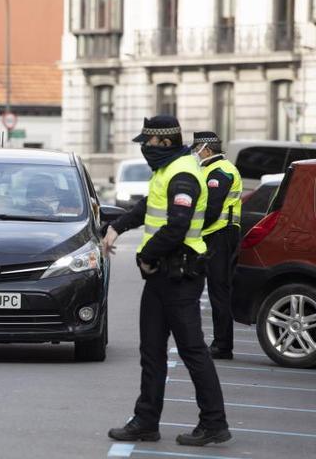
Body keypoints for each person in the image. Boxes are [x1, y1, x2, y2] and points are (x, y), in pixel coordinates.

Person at [102, 116, 231, 447]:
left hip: (179, 274)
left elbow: (177, 226)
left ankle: (214, 422)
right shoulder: (167, 170)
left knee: (192, 350)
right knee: (152, 350)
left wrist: (146, 256)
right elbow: (148, 207)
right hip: (163, 275)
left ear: (163, 143)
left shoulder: (184, 173)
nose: (145, 149)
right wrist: (117, 227)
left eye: (148, 143)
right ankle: (146, 421)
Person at [192, 131, 242, 360]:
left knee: (218, 291)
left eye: (197, 149)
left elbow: (211, 210)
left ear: (207, 149)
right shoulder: (211, 169)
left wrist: (191, 230)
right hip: (216, 235)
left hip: (219, 235)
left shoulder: (219, 172)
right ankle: (220, 343)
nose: (195, 153)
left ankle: (222, 346)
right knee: (216, 290)